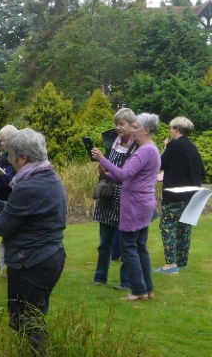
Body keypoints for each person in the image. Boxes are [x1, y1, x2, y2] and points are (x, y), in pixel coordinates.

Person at [0, 129, 66, 356]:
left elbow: (3, 226)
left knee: (27, 322)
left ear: (23, 158)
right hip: (49, 257)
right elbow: (17, 213)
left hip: (32, 261)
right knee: (32, 318)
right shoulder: (48, 176)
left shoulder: (29, 185)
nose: (8, 161)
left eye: (10, 156)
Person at [91, 113, 160, 301]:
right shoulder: (151, 149)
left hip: (135, 205)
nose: (132, 130)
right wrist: (107, 174)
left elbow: (124, 174)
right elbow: (128, 176)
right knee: (140, 247)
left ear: (146, 130)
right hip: (143, 203)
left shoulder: (145, 150)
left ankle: (138, 290)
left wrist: (102, 159)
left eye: (135, 127)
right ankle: (148, 290)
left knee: (128, 246)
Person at [92, 108, 136, 290]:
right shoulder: (112, 143)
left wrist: (105, 163)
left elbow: (126, 174)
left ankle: (126, 282)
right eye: (116, 124)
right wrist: (102, 171)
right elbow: (110, 170)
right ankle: (100, 277)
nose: (118, 127)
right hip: (108, 199)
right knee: (104, 243)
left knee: (127, 244)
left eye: (121, 124)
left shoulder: (137, 147)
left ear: (131, 125)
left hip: (126, 199)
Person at [155, 117, 205, 274]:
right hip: (193, 195)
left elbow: (160, 164)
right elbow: (201, 172)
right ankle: (182, 262)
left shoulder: (174, 145)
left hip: (175, 195)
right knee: (184, 228)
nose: (170, 131)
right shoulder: (192, 147)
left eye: (171, 128)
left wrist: (165, 148)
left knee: (167, 226)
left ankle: (170, 265)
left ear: (176, 129)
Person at [0, 125, 19, 201]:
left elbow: (10, 180)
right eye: (0, 141)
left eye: (4, 140)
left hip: (12, 199)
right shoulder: (4, 156)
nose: (1, 143)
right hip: (0, 198)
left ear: (13, 139)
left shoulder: (19, 157)